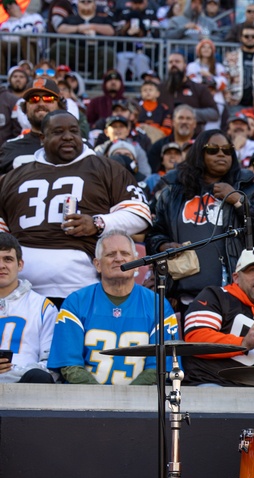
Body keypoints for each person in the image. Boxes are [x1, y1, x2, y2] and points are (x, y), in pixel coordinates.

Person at [0, 110, 150, 302]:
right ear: (42, 138)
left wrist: (98, 223)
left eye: (74, 131)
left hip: (80, 287)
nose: (68, 137)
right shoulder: (15, 176)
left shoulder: (106, 168)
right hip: (19, 290)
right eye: (58, 132)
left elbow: (140, 214)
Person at [145, 130, 254, 314]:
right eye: (213, 149)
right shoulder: (174, 190)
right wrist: (162, 245)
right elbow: (153, 234)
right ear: (199, 153)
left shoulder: (248, 188)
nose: (221, 154)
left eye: (226, 150)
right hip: (183, 299)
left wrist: (239, 201)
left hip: (235, 298)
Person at [48, 231, 178, 385]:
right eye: (111, 254)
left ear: (137, 261)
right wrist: (101, 399)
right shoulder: (76, 302)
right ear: (97, 264)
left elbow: (159, 367)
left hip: (141, 403)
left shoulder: (158, 305)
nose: (118, 258)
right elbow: (70, 364)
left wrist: (127, 399)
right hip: (84, 403)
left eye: (125, 253)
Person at [183, 246, 254, 385]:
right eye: (252, 270)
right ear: (236, 277)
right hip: (210, 384)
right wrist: (243, 343)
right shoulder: (215, 296)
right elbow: (195, 340)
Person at [0, 232, 56, 383]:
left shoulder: (43, 307)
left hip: (25, 386)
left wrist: (11, 373)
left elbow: (52, 365)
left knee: (40, 377)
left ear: (20, 264)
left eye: (8, 259)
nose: (1, 265)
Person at [0, 76, 64, 173]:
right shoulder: (9, 148)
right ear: (25, 108)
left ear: (60, 106)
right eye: (34, 99)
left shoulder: (80, 146)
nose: (41, 103)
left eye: (48, 98)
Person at [224, 23, 254, 111]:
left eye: (253, 36)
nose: (250, 39)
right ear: (241, 38)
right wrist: (228, 98)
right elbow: (226, 79)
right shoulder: (231, 57)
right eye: (246, 36)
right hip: (235, 103)